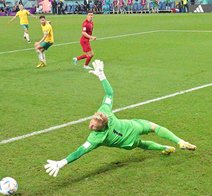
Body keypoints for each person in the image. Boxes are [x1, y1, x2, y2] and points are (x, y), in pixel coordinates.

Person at [43, 60, 196, 177]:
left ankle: (164, 148)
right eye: (92, 122)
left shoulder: (96, 138)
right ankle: (179, 141)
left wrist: (62, 162)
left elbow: (80, 152)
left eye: (93, 125)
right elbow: (109, 94)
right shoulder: (105, 112)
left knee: (142, 144)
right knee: (155, 127)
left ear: (100, 126)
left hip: (128, 143)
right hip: (133, 126)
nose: (91, 125)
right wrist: (102, 76)